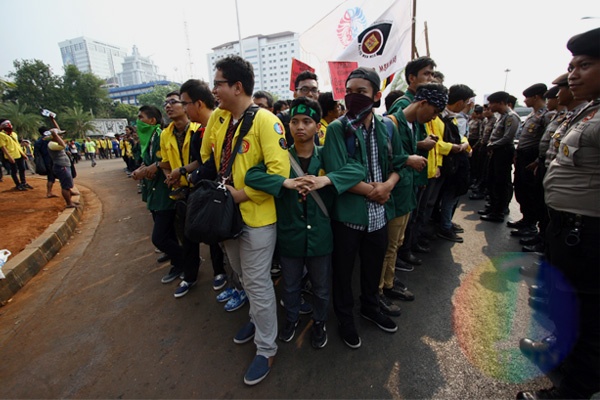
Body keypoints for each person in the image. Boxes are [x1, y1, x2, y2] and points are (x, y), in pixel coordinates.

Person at [516, 26, 600, 400]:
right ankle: (561, 356)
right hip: (569, 229)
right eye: (571, 66)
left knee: (590, 320)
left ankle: (573, 392)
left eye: (584, 65)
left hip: (589, 235)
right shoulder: (590, 111)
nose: (573, 74)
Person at [201, 55, 290, 385]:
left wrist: (237, 195)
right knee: (241, 275)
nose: (214, 91)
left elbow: (278, 174)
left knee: (257, 281)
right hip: (227, 216)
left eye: (219, 84)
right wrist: (217, 116)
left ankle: (267, 349)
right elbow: (206, 158)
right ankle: (258, 318)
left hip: (255, 217)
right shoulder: (222, 120)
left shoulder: (267, 121)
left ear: (237, 87)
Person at [321, 67, 403, 349]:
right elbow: (336, 173)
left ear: (377, 95)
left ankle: (370, 307)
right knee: (343, 274)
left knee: (372, 269)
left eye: (361, 92)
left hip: (379, 216)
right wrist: (375, 191)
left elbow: (397, 166)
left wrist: (388, 185)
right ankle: (345, 318)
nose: (353, 97)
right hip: (348, 218)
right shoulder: (336, 129)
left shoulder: (386, 126)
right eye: (349, 92)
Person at [245, 96, 333, 348]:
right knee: (290, 286)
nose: (300, 127)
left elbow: (356, 170)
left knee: (321, 287)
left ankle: (319, 322)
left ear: (318, 126)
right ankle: (292, 319)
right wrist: (284, 182)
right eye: (294, 121)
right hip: (290, 236)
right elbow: (252, 175)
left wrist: (324, 180)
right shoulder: (280, 157)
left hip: (320, 237)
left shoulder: (326, 155)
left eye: (307, 121)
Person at [380, 83, 446, 315]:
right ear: (423, 103)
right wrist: (408, 159)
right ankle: (380, 291)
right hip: (394, 195)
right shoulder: (390, 123)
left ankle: (388, 281)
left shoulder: (416, 125)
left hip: (408, 193)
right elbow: (382, 159)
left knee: (396, 244)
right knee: (388, 246)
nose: (433, 118)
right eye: (434, 112)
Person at [177, 79, 231, 303]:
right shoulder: (202, 130)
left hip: (223, 192)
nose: (181, 108)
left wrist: (192, 176)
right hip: (208, 190)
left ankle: (224, 274)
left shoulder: (224, 123)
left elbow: (214, 163)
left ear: (198, 103)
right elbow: (205, 160)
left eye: (184, 103)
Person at [387, 57, 439, 267]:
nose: (430, 78)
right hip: (400, 177)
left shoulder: (420, 105)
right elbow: (391, 143)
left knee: (407, 225)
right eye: (426, 74)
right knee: (394, 237)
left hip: (412, 175)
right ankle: (398, 259)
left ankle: (401, 255)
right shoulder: (404, 105)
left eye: (432, 74)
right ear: (411, 77)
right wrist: (419, 146)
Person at [155, 91, 203, 297]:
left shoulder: (199, 129)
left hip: (202, 189)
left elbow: (205, 160)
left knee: (214, 234)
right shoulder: (165, 133)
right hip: (181, 192)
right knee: (187, 236)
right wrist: (169, 176)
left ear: (185, 106)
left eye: (173, 102)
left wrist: (182, 171)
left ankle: (220, 273)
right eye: (166, 103)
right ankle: (190, 276)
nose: (168, 106)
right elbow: (166, 161)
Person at [509, 83, 552, 239]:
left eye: (527, 97)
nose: (525, 100)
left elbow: (547, 140)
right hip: (522, 156)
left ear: (536, 97)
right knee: (521, 189)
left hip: (532, 158)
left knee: (531, 192)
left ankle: (531, 225)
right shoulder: (532, 115)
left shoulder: (546, 115)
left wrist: (537, 160)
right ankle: (526, 219)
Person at [479, 91, 520, 222]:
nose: (490, 106)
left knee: (501, 182)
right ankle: (493, 207)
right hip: (496, 151)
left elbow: (507, 137)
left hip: (503, 151)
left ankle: (499, 211)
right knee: (492, 179)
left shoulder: (511, 117)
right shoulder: (502, 116)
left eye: (492, 103)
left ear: (501, 103)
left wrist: (492, 145)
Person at [277, 70, 320, 146]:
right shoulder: (282, 119)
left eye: (314, 90)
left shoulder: (319, 117)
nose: (310, 94)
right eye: (304, 89)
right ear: (295, 93)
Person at [45, 128, 79, 209]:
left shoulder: (55, 142)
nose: (61, 136)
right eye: (59, 135)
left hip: (64, 165)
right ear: (54, 136)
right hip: (61, 166)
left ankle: (70, 200)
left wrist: (53, 121)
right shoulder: (52, 144)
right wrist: (55, 135)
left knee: (68, 184)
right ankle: (68, 203)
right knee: (65, 186)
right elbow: (63, 145)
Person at [0, 120, 30, 191]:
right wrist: (9, 157)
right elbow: (3, 147)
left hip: (19, 154)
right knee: (14, 170)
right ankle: (18, 184)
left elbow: (17, 145)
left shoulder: (14, 134)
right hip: (11, 155)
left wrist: (23, 154)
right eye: (7, 124)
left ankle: (23, 183)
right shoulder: (1, 135)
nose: (9, 125)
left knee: (22, 168)